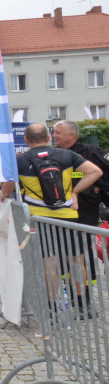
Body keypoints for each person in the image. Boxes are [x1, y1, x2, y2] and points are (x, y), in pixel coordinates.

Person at [0, 123, 101, 316]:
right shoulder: (66, 155)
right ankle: (83, 307)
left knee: (49, 264)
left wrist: (2, 192)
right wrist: (75, 192)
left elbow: (8, 187)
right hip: (68, 217)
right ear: (47, 138)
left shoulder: (19, 160)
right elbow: (95, 171)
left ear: (26, 140)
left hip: (40, 219)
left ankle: (52, 310)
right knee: (76, 260)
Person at [52, 120, 109, 313]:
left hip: (85, 213)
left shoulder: (93, 153)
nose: (54, 136)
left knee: (80, 254)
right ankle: (70, 292)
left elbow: (106, 178)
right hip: (61, 213)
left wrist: (98, 189)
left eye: (58, 132)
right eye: (53, 132)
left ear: (72, 135)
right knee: (64, 255)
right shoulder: (54, 155)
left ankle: (83, 298)